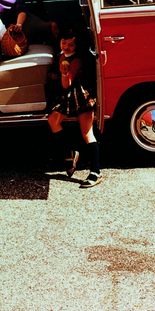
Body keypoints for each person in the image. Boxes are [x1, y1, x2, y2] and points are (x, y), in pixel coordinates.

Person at [47, 24, 101, 188]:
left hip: (80, 97)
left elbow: (66, 84)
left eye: (71, 44)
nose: (67, 47)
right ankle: (69, 154)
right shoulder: (61, 55)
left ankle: (95, 172)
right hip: (68, 97)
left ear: (77, 45)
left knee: (87, 133)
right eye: (64, 43)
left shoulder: (75, 60)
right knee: (53, 121)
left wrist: (64, 73)